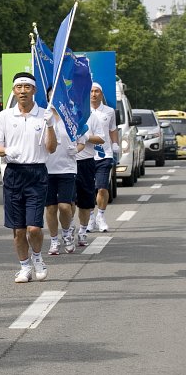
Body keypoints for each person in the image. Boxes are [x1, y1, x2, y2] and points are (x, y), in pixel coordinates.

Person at [0, 72, 57, 283]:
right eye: (19, 87)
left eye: (27, 87)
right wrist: (7, 151)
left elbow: (51, 149)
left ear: (34, 90)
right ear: (14, 90)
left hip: (37, 173)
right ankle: (24, 267)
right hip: (14, 174)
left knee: (34, 227)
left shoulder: (44, 116)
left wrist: (51, 125)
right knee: (18, 229)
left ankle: (37, 258)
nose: (23, 91)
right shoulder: (5, 117)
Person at [43, 91, 86, 255]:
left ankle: (67, 233)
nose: (53, 97)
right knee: (51, 208)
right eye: (51, 95)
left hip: (67, 168)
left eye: (57, 94)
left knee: (65, 206)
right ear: (47, 97)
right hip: (47, 168)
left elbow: (82, 141)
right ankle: (54, 241)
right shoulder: (44, 116)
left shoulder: (72, 117)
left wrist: (76, 149)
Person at [72, 102, 105, 247]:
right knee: (68, 201)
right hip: (67, 163)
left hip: (85, 162)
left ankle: (83, 231)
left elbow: (101, 138)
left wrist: (85, 136)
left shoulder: (91, 117)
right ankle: (68, 229)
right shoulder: (62, 115)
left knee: (85, 202)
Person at [88, 82, 119, 233]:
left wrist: (115, 144)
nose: (94, 94)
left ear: (101, 94)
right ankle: (90, 217)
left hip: (104, 154)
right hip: (86, 155)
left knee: (102, 188)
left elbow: (113, 129)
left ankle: (101, 215)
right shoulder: (82, 111)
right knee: (87, 189)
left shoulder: (109, 111)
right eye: (91, 91)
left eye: (97, 91)